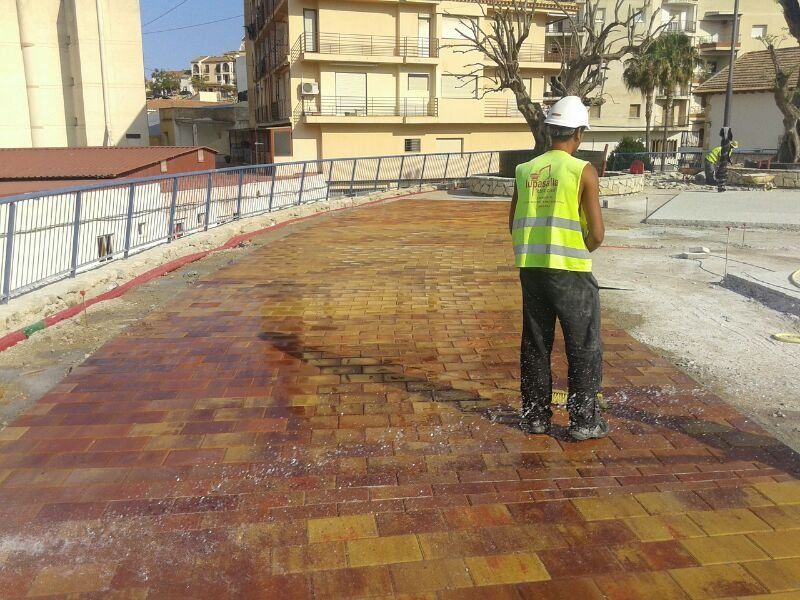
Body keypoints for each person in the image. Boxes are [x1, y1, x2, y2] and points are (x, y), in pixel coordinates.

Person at [508, 96, 608, 441]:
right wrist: (576, 251)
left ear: (549, 131)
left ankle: (535, 417)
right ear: (578, 134)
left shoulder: (524, 170)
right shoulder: (583, 171)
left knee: (535, 344)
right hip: (570, 273)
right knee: (582, 345)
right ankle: (583, 422)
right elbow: (596, 234)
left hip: (532, 271)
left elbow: (513, 223)